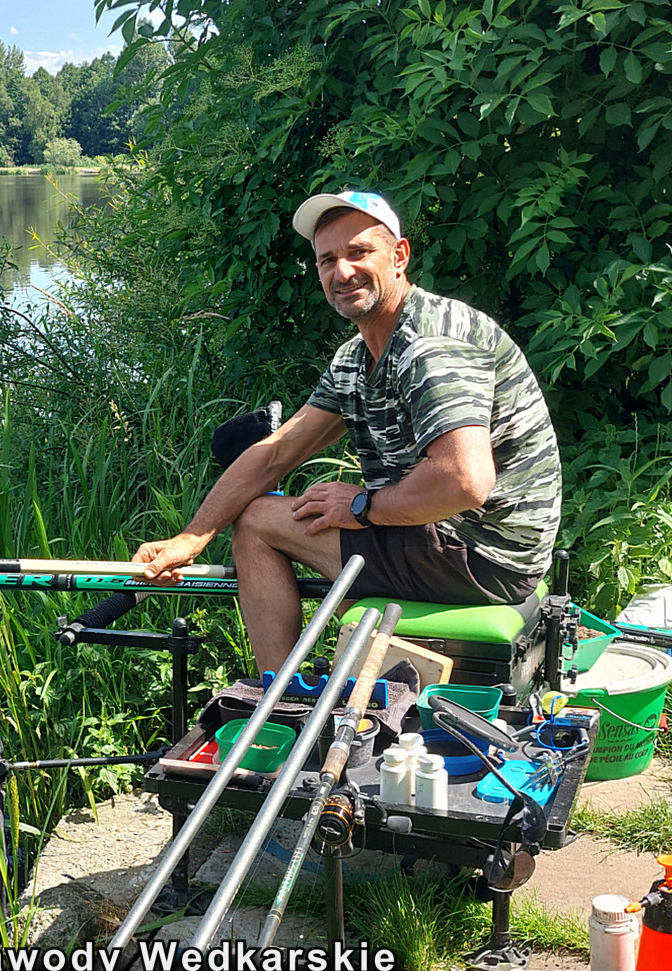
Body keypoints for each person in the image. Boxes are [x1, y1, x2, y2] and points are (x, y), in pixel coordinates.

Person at [131, 188, 562, 674]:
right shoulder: (356, 357)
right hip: (454, 541)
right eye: (327, 260)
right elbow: (277, 451)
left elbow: (464, 481)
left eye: (359, 252)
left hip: (486, 555)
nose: (342, 272)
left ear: (399, 256)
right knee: (294, 523)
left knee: (257, 523)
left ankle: (278, 698)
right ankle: (336, 684)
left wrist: (363, 507)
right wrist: (191, 538)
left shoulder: (430, 345)